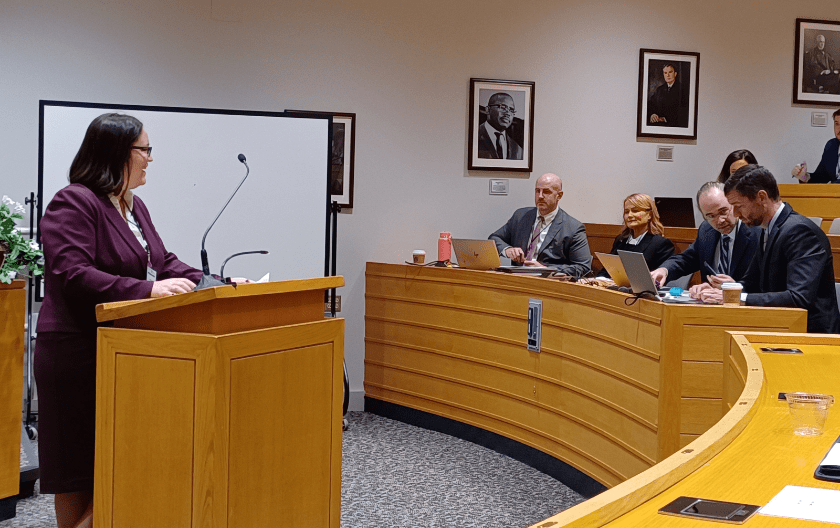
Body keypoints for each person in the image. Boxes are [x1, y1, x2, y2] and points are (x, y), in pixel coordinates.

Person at [34, 113, 204, 528]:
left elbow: (162, 264)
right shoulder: (74, 201)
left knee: (119, 460)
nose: (150, 159)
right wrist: (146, 291)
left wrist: (216, 282)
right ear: (116, 153)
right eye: (144, 150)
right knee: (79, 468)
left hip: (126, 351)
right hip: (78, 354)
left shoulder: (133, 204)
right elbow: (71, 272)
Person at [695, 165, 840, 334]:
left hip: (811, 336)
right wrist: (723, 290)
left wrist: (735, 298)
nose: (735, 213)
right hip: (781, 327)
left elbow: (798, 297)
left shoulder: (799, 231)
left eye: (738, 206)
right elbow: (750, 283)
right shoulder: (768, 229)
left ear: (761, 197)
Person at [651, 182, 760, 292]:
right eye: (710, 216)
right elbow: (687, 259)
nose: (719, 221)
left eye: (723, 211)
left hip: (743, 304)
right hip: (709, 301)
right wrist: (665, 270)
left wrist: (734, 287)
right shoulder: (707, 229)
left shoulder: (758, 233)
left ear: (734, 205)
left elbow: (765, 285)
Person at [489, 173, 591, 277]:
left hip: (547, 283)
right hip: (517, 279)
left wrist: (546, 269)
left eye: (546, 192)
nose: (540, 196)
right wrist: (507, 250)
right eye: (537, 191)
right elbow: (494, 238)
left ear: (559, 196)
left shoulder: (573, 227)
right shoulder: (521, 216)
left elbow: (583, 267)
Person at [598, 194, 674, 277]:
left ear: (649, 215)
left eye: (635, 211)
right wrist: (596, 281)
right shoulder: (620, 240)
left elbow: (661, 277)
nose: (630, 215)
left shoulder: (661, 244)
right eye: (626, 212)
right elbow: (607, 271)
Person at [791, 108, 840, 183]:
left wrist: (832, 186)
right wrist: (804, 177)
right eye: (837, 124)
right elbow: (821, 177)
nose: (839, 129)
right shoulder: (831, 146)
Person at [478, 92, 523, 160]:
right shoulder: (474, 136)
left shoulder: (518, 149)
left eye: (511, 110)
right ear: (488, 110)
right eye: (503, 107)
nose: (508, 113)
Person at [648, 63, 689, 128]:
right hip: (658, 125)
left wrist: (664, 119)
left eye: (670, 72)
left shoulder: (683, 90)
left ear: (675, 74)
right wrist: (653, 114)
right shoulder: (659, 90)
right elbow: (651, 104)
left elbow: (683, 113)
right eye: (665, 73)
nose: (668, 75)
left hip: (674, 126)